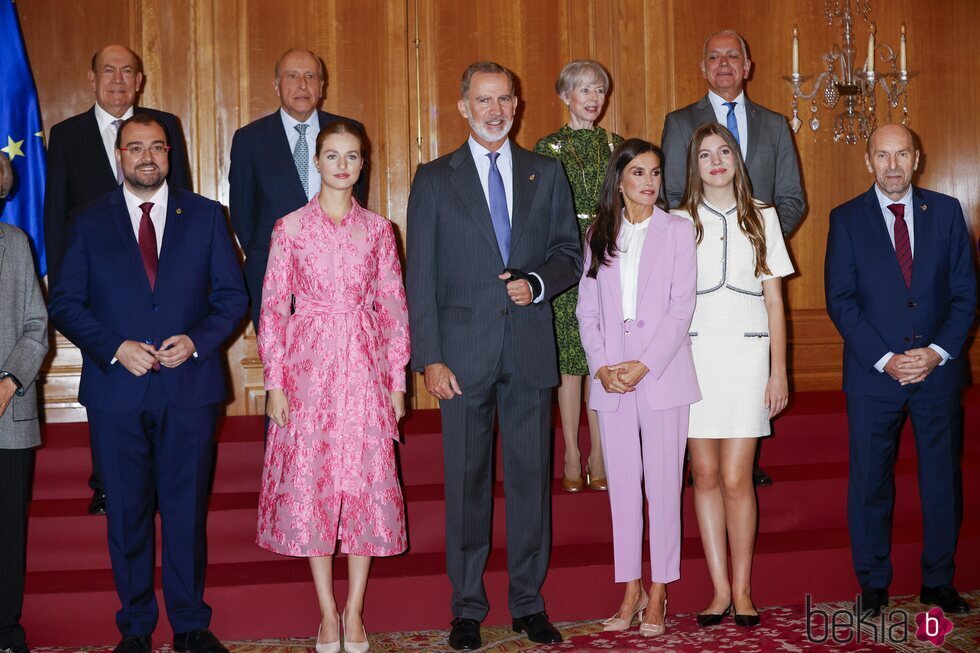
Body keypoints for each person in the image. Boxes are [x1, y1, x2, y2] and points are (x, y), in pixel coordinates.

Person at [47, 115, 248, 653]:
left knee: (185, 512)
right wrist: (114, 346)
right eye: (135, 147)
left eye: (156, 147)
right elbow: (64, 302)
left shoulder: (206, 216)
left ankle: (190, 626)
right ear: (119, 155)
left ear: (169, 154)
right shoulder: (88, 221)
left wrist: (197, 341)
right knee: (127, 515)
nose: (147, 157)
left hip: (189, 387)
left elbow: (232, 297)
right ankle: (135, 628)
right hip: (117, 390)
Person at [405, 61, 581, 650]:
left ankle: (529, 604)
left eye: (505, 99)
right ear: (463, 107)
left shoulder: (546, 173)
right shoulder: (433, 178)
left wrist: (536, 282)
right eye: (484, 100)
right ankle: (467, 609)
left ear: (517, 105)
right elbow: (420, 276)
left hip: (528, 350)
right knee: (467, 485)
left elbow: (568, 254)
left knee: (531, 482)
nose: (495, 110)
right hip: (460, 358)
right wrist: (428, 356)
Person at [256, 121, 409, 653]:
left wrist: (397, 383)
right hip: (308, 369)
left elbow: (393, 308)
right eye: (332, 156)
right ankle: (325, 612)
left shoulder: (380, 231)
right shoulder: (290, 228)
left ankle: (355, 610)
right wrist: (274, 382)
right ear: (316, 162)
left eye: (352, 157)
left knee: (364, 485)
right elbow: (273, 310)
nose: (343, 165)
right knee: (315, 487)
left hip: (366, 368)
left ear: (362, 164)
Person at [825, 124, 976, 618]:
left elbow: (965, 293)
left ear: (917, 157)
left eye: (901, 154)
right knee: (870, 483)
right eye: (882, 155)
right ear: (868, 161)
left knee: (941, 482)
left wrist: (936, 352)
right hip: (874, 377)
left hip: (938, 372)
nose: (892, 165)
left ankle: (938, 580)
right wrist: (887, 360)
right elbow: (841, 301)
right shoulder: (846, 219)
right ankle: (873, 583)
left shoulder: (948, 212)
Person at [44, 43, 192, 516]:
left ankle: (156, 482)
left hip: (158, 278)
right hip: (97, 284)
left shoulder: (162, 126)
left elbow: (181, 201)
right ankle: (107, 482)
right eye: (108, 71)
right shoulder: (67, 135)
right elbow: (56, 216)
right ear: (92, 79)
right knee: (108, 377)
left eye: (127, 71)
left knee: (164, 388)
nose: (117, 80)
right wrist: (66, 281)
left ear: (140, 80)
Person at [661, 29, 805, 487]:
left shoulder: (776, 123)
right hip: (698, 297)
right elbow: (669, 196)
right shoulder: (680, 121)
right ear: (704, 68)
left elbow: (792, 198)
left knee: (737, 471)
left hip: (750, 287)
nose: (724, 64)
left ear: (748, 66)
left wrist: (752, 235)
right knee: (707, 469)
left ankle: (742, 459)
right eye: (714, 57)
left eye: (733, 56)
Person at [576, 139, 699, 638]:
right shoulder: (598, 233)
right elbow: (586, 310)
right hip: (612, 378)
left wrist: (644, 364)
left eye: (654, 173)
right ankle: (630, 587)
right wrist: (602, 366)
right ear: (619, 180)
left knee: (664, 484)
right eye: (638, 173)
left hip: (661, 373)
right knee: (622, 486)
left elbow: (681, 307)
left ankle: (661, 589)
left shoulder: (677, 231)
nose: (649, 182)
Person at [674, 123, 793, 628]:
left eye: (724, 151)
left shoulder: (762, 216)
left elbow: (774, 300)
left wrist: (778, 371)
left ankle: (744, 588)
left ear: (736, 159)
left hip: (747, 358)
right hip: (693, 356)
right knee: (703, 476)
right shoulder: (676, 220)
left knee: (734, 477)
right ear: (694, 165)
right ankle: (719, 590)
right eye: (706, 154)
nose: (716, 160)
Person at [230, 48, 366, 333]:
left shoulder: (349, 131)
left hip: (340, 282)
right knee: (284, 373)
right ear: (277, 85)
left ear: (322, 86)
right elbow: (243, 218)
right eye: (292, 76)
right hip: (275, 282)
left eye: (310, 76)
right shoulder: (249, 140)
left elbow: (358, 207)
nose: (302, 85)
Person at [534, 60, 622, 493]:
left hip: (610, 260)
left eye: (599, 90)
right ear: (566, 95)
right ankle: (570, 450)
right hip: (568, 262)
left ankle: (600, 452)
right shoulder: (547, 147)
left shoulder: (619, 146)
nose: (593, 98)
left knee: (601, 358)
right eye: (584, 90)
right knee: (570, 365)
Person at [0, 221, 48, 653]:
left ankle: (5, 634)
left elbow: (37, 326)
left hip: (7, 411)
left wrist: (8, 380)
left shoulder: (14, 244)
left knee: (7, 532)